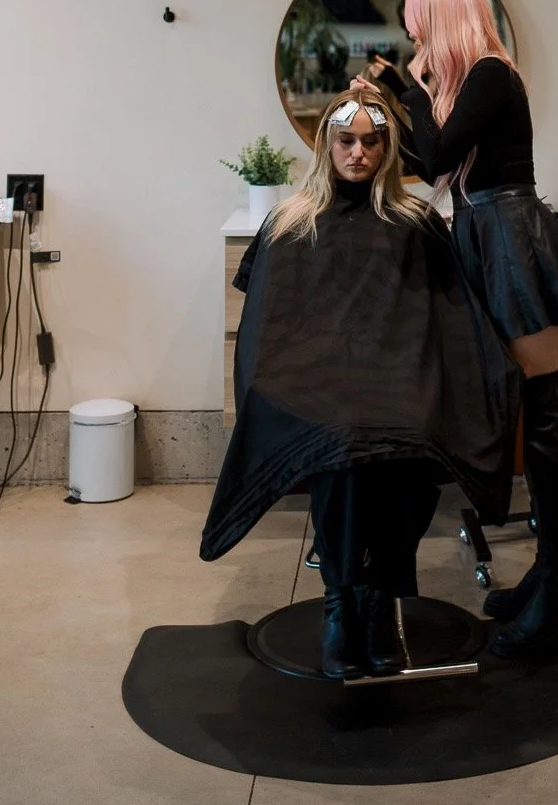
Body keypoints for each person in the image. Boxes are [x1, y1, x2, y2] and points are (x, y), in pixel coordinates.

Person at [200, 90, 518, 681]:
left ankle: (375, 605)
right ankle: (343, 608)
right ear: (327, 145)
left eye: (372, 141)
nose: (359, 152)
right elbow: (270, 328)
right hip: (311, 385)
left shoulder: (414, 221)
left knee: (407, 437)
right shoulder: (291, 222)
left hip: (395, 376)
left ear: (387, 147)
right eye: (346, 140)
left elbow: (444, 318)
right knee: (346, 443)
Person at [392, 0, 558, 657]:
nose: (414, 37)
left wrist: (408, 89)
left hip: (511, 240)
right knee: (524, 414)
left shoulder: (488, 74)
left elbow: (432, 158)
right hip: (488, 233)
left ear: (444, 22)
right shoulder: (480, 81)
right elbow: (439, 164)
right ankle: (552, 577)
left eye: (420, 25)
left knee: (540, 421)